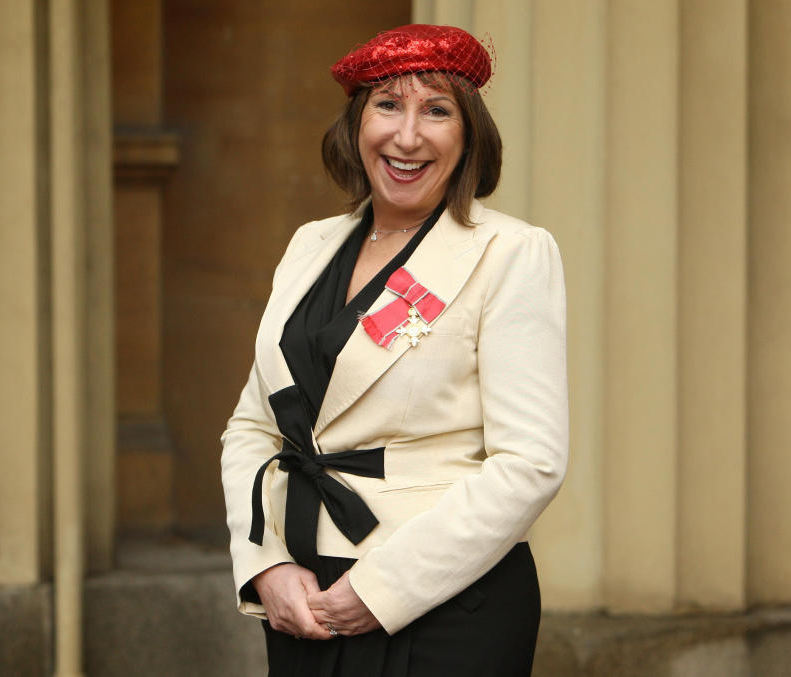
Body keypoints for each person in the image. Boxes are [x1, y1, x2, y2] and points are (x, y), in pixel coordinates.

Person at [220, 24, 568, 676]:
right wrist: (264, 562)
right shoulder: (310, 246)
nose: (407, 136)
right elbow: (253, 426)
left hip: (445, 604)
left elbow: (532, 462)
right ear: (357, 124)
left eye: (437, 110)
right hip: (303, 597)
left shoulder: (509, 254)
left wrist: (382, 590)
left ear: (469, 137)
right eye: (388, 105)